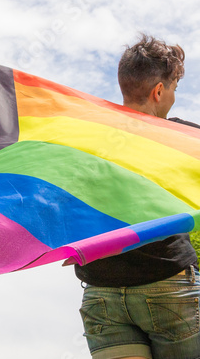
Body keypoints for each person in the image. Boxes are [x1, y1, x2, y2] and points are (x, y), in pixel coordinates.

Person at [76, 34, 200, 359]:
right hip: (168, 284)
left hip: (101, 292)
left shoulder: (81, 141)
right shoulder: (181, 139)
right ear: (159, 91)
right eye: (173, 89)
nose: (172, 97)